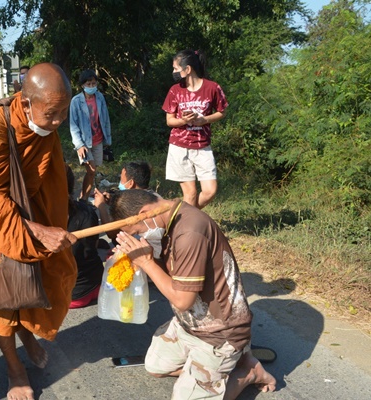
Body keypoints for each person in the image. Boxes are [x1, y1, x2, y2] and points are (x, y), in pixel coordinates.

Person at [0, 63, 77, 400]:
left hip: (34, 214)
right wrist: (37, 231)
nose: (58, 122)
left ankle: (28, 333)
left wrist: (50, 225)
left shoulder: (44, 126)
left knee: (36, 283)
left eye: (63, 113)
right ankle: (14, 368)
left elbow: (49, 179)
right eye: (52, 114)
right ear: (26, 103)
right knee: (1, 297)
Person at [108, 190, 276, 399]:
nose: (140, 236)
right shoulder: (168, 219)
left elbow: (182, 300)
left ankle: (248, 372)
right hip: (189, 324)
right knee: (155, 367)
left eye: (138, 231)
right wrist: (143, 258)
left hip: (219, 332)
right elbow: (172, 275)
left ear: (145, 213)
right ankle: (219, 368)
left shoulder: (190, 232)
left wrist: (147, 262)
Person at [163, 49, 228, 209]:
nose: (174, 72)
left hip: (203, 147)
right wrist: (183, 120)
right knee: (190, 194)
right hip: (179, 147)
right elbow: (170, 121)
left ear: (188, 69)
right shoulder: (175, 90)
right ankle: (185, 226)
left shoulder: (212, 87)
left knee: (210, 191)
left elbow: (222, 112)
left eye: (176, 69)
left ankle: (179, 218)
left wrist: (204, 120)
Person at [69, 69, 112, 201]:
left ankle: (85, 196)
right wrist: (79, 145)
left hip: (98, 140)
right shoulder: (76, 101)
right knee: (91, 170)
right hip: (84, 142)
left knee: (93, 171)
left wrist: (108, 139)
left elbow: (105, 119)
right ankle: (83, 199)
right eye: (89, 84)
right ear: (82, 85)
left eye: (94, 83)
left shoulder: (99, 97)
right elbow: (73, 125)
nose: (92, 86)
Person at [65, 165, 103, 309]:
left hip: (71, 296)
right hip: (97, 285)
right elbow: (95, 244)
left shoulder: (41, 218)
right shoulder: (87, 209)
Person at [94, 161, 151, 242]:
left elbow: (112, 233)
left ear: (131, 183)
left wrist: (101, 206)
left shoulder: (134, 205)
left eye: (121, 179)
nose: (120, 183)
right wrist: (113, 201)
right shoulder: (151, 195)